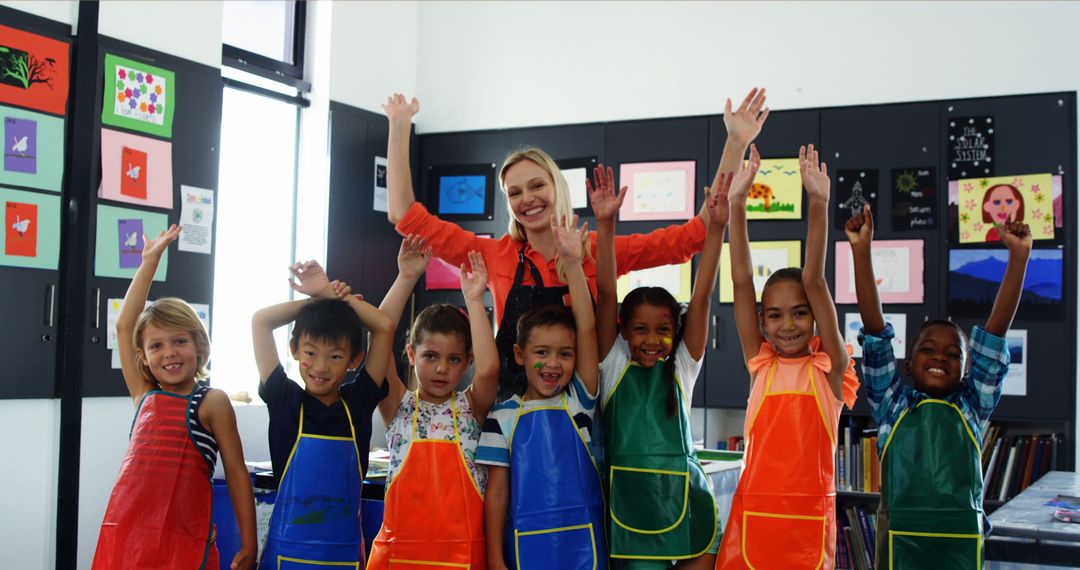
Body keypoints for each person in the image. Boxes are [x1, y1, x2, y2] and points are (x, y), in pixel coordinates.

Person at [382, 89, 770, 396]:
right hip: (513, 408)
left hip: (589, 408)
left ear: (558, 187)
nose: (527, 199)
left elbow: (695, 235)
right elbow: (405, 216)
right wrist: (400, 126)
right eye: (514, 193)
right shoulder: (493, 255)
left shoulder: (599, 251)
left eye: (537, 185)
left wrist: (734, 143)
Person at [847, 204, 1031, 568]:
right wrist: (861, 250)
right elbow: (874, 331)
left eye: (952, 354)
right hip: (901, 547)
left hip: (960, 549)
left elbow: (993, 337)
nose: (940, 357)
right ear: (908, 364)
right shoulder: (890, 404)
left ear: (967, 371)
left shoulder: (973, 405)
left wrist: (1019, 259)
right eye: (927, 349)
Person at [715, 145, 859, 569]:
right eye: (775, 315)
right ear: (762, 322)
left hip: (808, 527)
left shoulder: (831, 369)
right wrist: (736, 204)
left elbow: (814, 279)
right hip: (752, 520)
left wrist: (819, 203)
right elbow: (742, 281)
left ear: (817, 317)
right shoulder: (760, 363)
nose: (788, 325)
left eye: (800, 313)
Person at [596, 160, 737, 568]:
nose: (652, 340)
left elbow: (704, 293)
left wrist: (717, 227)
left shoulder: (682, 367)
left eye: (663, 329)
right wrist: (606, 224)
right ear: (622, 331)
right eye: (640, 329)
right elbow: (607, 293)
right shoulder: (613, 363)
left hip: (687, 499)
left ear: (676, 331)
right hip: (630, 509)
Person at [93, 225, 256, 570]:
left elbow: (237, 472)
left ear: (198, 345)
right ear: (143, 356)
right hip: (126, 541)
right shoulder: (144, 396)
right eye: (156, 346)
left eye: (179, 341)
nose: (169, 353)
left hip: (185, 542)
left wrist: (249, 542)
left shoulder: (212, 402)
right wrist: (149, 262)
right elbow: (124, 327)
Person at [478, 212, 606, 569]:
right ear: (519, 355)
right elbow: (498, 493)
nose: (553, 364)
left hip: (585, 546)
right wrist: (495, 558)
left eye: (565, 354)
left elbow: (587, 326)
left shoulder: (581, 399)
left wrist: (572, 263)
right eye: (541, 353)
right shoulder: (500, 418)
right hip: (524, 548)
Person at [252, 261, 394, 568]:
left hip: (342, 558)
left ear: (355, 359)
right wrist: (318, 299)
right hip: (285, 556)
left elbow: (384, 326)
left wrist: (337, 298)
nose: (320, 367)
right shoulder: (284, 398)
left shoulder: (358, 402)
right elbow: (260, 321)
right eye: (311, 352)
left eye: (336, 356)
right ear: (294, 350)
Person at [366, 243, 499, 568]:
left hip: (461, 559)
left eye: (454, 359)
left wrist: (473, 300)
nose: (442, 369)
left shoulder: (472, 408)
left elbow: (490, 369)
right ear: (411, 355)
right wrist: (406, 277)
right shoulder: (398, 406)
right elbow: (379, 337)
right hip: (398, 558)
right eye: (430, 356)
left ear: (468, 360)